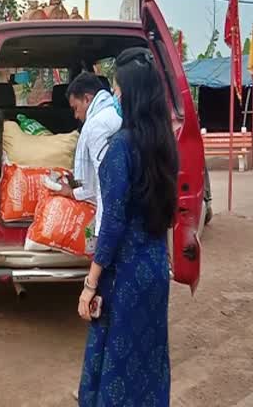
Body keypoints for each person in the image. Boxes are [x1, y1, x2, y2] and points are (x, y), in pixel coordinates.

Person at [76, 48, 179, 406]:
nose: (115, 97)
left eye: (117, 90)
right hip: (154, 272)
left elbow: (113, 223)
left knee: (114, 367)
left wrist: (90, 284)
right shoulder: (166, 145)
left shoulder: (120, 147)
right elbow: (168, 214)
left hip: (124, 275)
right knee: (149, 363)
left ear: (129, 94)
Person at [54, 71, 122, 256]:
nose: (76, 116)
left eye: (75, 108)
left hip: (111, 217)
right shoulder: (112, 115)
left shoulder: (96, 126)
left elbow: (102, 182)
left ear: (87, 99)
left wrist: (101, 234)